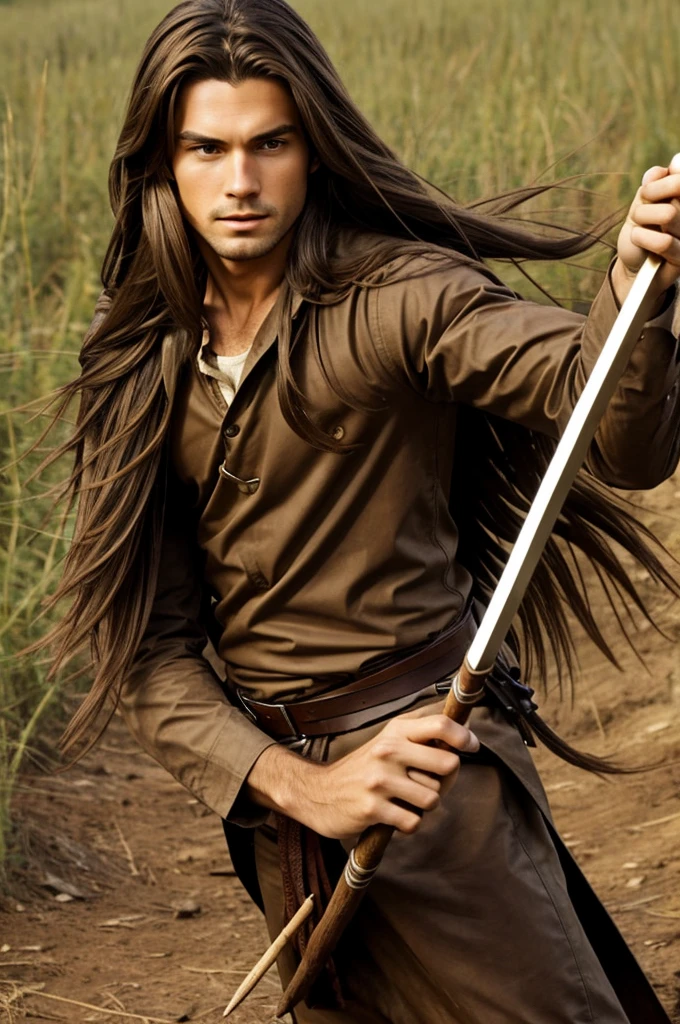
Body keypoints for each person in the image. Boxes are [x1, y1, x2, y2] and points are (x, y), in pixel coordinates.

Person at [41, 1, 680, 1021]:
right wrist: (297, 787)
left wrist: (634, 282)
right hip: (279, 823)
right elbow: (152, 655)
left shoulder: (401, 297)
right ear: (162, 161)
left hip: (436, 783)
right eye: (207, 148)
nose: (240, 182)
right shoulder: (136, 354)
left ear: (313, 148)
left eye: (270, 144)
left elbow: (609, 428)